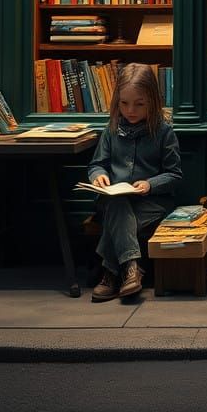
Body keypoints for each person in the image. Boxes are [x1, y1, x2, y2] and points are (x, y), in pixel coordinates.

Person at [87, 63, 183, 302]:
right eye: (124, 103)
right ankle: (131, 267)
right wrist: (98, 175)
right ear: (116, 102)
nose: (130, 110)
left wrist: (150, 184)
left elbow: (175, 174)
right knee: (117, 205)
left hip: (150, 203)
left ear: (152, 101)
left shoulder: (163, 131)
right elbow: (96, 164)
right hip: (114, 201)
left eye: (139, 104)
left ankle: (110, 272)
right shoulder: (111, 129)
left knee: (120, 216)